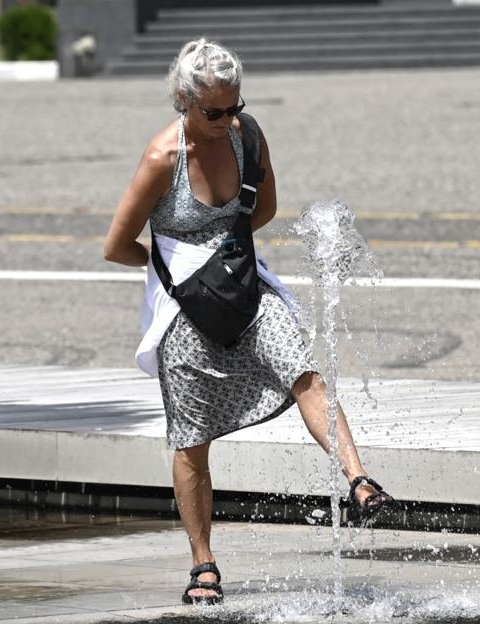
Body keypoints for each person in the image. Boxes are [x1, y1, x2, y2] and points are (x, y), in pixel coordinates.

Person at [102, 38, 396, 606]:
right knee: (192, 442)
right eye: (214, 111)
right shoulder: (162, 159)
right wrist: (173, 269)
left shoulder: (246, 135)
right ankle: (203, 565)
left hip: (245, 286)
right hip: (184, 308)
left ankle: (360, 481)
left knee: (303, 368)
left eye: (235, 106)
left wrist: (226, 257)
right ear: (183, 102)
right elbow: (116, 246)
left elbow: (263, 208)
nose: (228, 119)